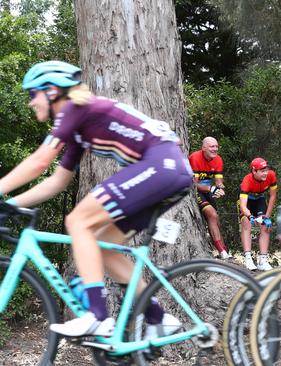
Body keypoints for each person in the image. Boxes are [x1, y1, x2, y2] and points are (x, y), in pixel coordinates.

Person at [0, 61, 191, 337]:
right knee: (106, 248)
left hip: (161, 166)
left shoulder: (75, 109)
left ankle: (97, 316)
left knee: (78, 221)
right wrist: (11, 203)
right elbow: (57, 181)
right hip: (169, 171)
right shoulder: (79, 127)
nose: (31, 103)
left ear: (52, 91)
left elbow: (40, 162)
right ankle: (158, 318)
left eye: (33, 95)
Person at [188, 136, 230, 259]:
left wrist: (220, 189)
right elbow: (193, 184)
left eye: (216, 146)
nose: (215, 149)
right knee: (212, 214)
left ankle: (223, 251)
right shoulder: (195, 157)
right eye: (212, 146)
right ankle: (222, 251)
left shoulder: (218, 159)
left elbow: (218, 181)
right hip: (196, 191)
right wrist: (211, 189)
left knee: (216, 220)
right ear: (204, 148)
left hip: (208, 190)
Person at [239, 157, 277, 271]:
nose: (265, 173)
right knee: (246, 224)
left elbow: (273, 196)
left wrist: (268, 216)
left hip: (259, 199)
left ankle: (263, 260)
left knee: (265, 225)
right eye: (262, 171)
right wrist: (250, 216)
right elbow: (243, 205)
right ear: (254, 171)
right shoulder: (247, 180)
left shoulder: (271, 175)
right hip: (246, 202)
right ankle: (248, 258)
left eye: (266, 170)